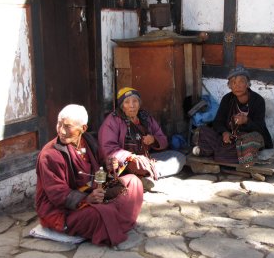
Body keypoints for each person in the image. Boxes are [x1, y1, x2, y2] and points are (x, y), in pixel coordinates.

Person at [35, 104, 144, 246]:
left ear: (83, 129)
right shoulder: (49, 155)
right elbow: (58, 195)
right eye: (59, 124)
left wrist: (109, 166)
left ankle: (111, 218)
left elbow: (101, 167)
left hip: (92, 192)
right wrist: (87, 199)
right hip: (64, 209)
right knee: (98, 214)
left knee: (134, 182)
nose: (61, 130)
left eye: (67, 126)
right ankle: (112, 217)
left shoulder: (88, 140)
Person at [98, 87, 186, 190]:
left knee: (178, 157)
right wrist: (131, 158)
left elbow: (163, 139)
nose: (132, 105)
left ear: (139, 104)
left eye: (135, 101)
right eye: (127, 102)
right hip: (126, 163)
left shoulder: (145, 117)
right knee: (138, 165)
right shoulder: (112, 120)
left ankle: (144, 176)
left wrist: (154, 139)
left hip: (146, 159)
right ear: (122, 106)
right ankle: (142, 176)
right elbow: (108, 149)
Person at [193, 64, 273, 165]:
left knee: (250, 141)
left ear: (248, 84)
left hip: (246, 139)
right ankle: (229, 155)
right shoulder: (227, 99)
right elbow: (218, 122)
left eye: (241, 81)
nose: (237, 86)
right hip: (229, 139)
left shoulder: (258, 100)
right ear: (229, 86)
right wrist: (224, 133)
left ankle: (212, 152)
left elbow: (260, 127)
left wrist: (246, 121)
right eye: (233, 83)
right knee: (200, 131)